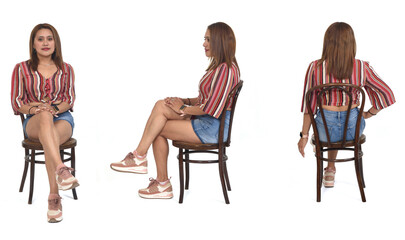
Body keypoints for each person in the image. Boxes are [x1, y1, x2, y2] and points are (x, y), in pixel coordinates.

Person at [110, 22, 240, 199]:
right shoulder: (220, 67)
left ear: (219, 41)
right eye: (205, 39)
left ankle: (154, 174)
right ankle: (142, 160)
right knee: (161, 105)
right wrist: (183, 101)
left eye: (208, 39)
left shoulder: (226, 69)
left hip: (212, 128)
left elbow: (212, 109)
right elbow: (207, 99)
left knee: (158, 128)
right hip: (208, 122)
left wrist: (184, 108)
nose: (204, 44)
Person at [298, 22, 395, 188]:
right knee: (346, 122)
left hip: (324, 132)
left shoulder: (315, 67)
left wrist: (304, 136)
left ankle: (329, 168)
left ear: (327, 42)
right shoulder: (362, 67)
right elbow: (387, 93)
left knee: (329, 128)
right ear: (351, 42)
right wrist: (368, 114)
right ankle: (330, 167)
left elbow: (309, 106)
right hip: (352, 130)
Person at [11, 23, 78, 223]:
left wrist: (54, 109)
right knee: (45, 117)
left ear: (56, 43)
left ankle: (54, 196)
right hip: (34, 121)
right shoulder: (21, 68)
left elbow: (70, 99)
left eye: (49, 38)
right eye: (40, 39)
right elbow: (17, 102)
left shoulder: (67, 69)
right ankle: (61, 171)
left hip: (62, 119)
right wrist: (36, 109)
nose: (45, 43)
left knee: (51, 130)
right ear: (33, 44)